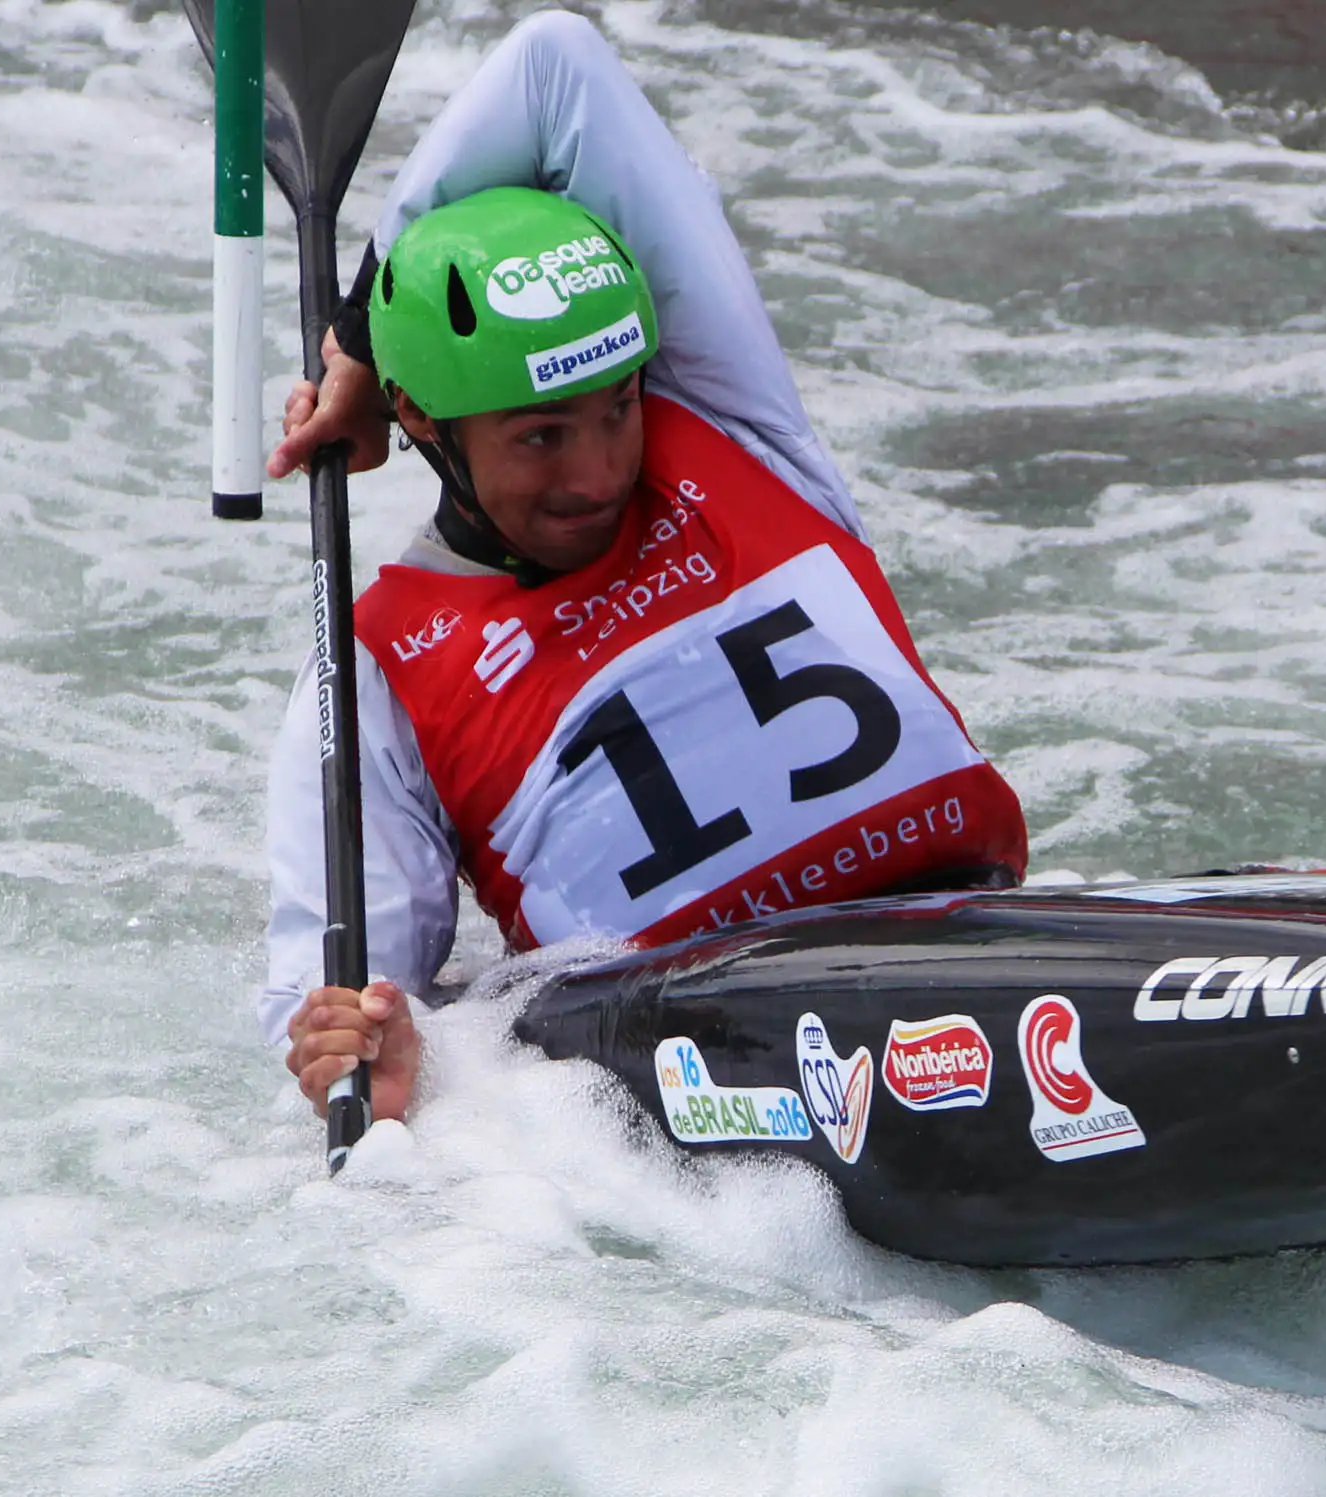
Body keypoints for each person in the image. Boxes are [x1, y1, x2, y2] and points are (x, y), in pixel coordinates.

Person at [266, 11, 1028, 1125]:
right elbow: (335, 1001)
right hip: (721, 1075)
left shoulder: (729, 419)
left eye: (617, 409)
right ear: (424, 420)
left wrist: (356, 339)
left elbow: (553, 66)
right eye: (539, 437)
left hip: (976, 951)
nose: (598, 470)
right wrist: (374, 1054)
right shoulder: (375, 670)